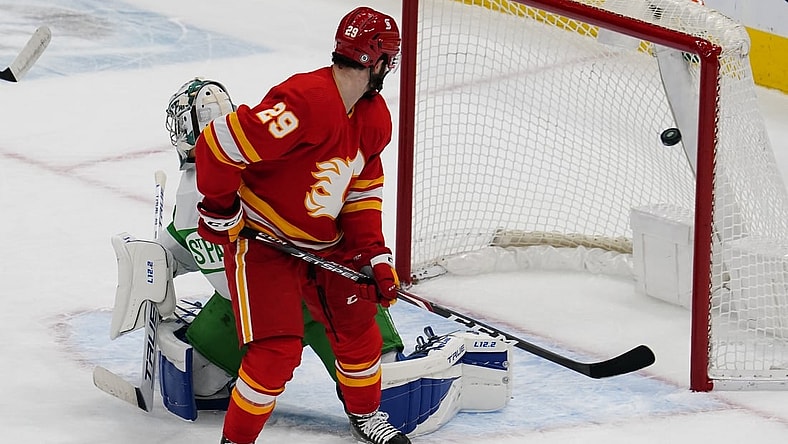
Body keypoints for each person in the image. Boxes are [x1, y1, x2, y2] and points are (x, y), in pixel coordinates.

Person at [193, 6, 411, 444]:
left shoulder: (373, 117)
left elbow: (361, 190)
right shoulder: (304, 102)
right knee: (274, 354)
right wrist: (219, 208)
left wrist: (373, 254)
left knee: (359, 331)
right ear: (381, 61)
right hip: (265, 239)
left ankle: (366, 417)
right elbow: (216, 145)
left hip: (325, 244)